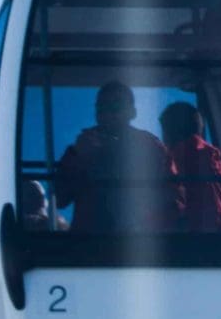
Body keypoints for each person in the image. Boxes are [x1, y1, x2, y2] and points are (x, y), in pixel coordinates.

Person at [53, 81, 172, 234]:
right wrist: (79, 157)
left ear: (132, 112)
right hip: (87, 242)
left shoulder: (149, 146)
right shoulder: (82, 146)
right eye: (101, 108)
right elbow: (60, 198)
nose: (107, 114)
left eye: (115, 107)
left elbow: (167, 196)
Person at [160, 101, 221, 232]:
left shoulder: (176, 161)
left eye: (164, 132)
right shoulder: (220, 166)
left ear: (170, 133)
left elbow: (169, 209)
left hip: (195, 244)